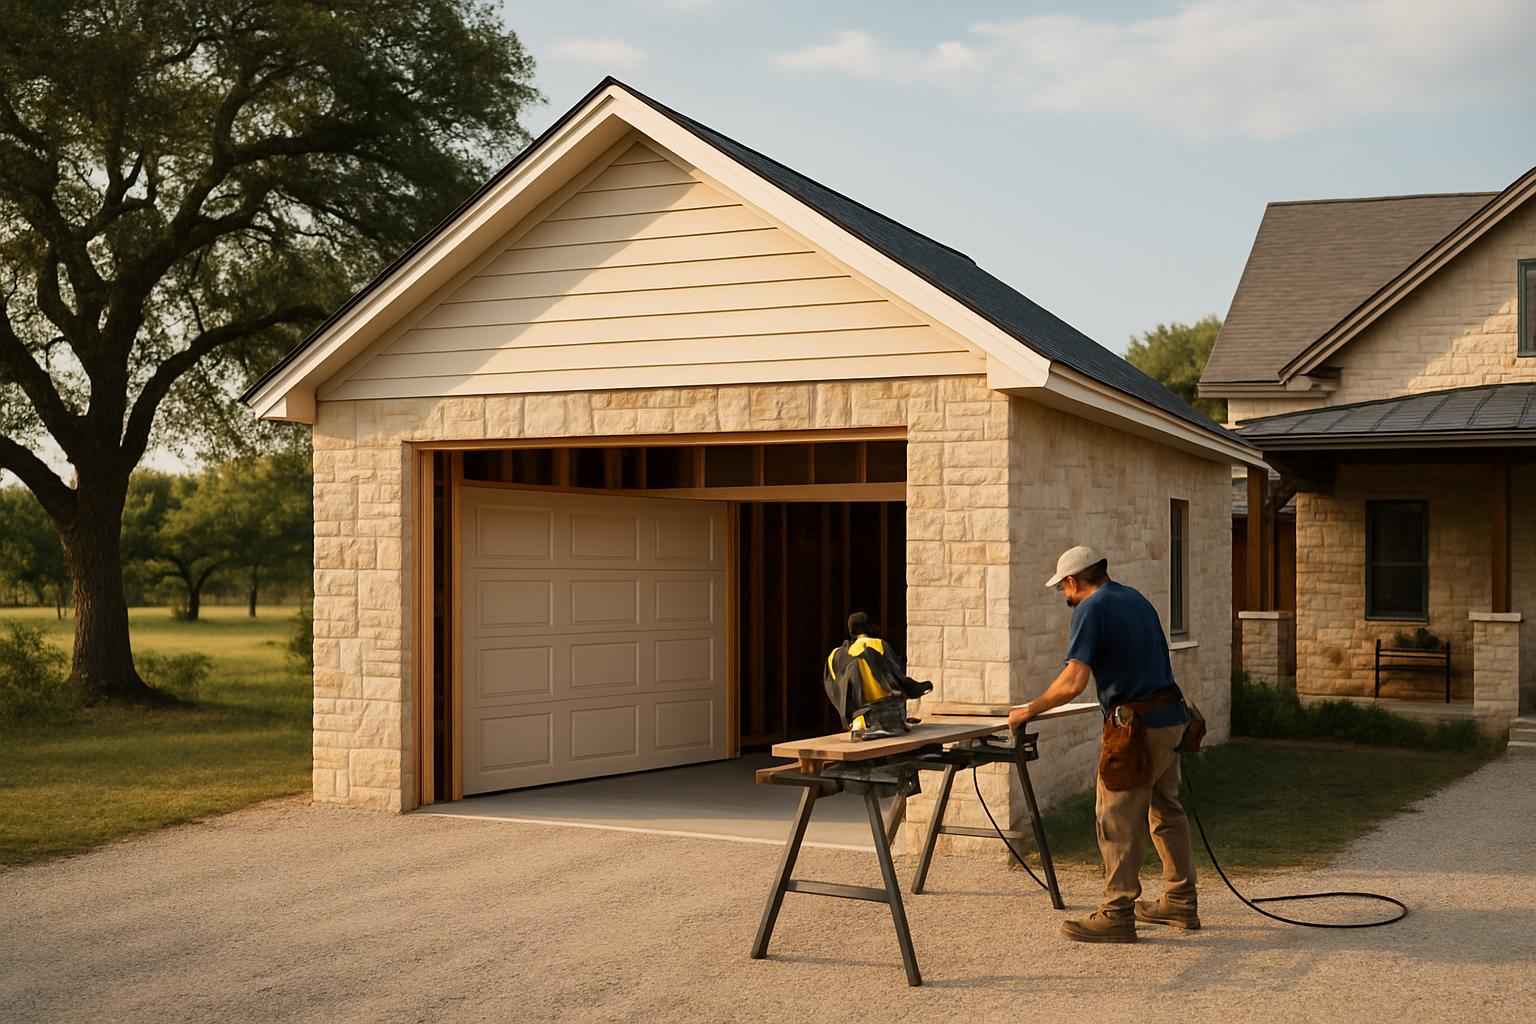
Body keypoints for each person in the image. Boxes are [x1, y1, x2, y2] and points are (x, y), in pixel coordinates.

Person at [1007, 545, 1198, 943]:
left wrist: (1029, 710)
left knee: (1116, 817)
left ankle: (1117, 913)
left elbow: (1073, 682)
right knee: (1166, 809)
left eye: (1063, 589)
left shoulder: (1090, 609)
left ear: (1073, 581)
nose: (1065, 596)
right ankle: (1180, 900)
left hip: (1135, 730)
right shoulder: (1135, 599)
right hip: (1171, 717)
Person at [823, 612, 931, 739]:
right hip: (890, 713)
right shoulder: (879, 644)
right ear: (869, 627)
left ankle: (858, 722)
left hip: (861, 717)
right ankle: (891, 723)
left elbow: (832, 686)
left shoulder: (838, 654)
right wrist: (915, 688)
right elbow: (897, 676)